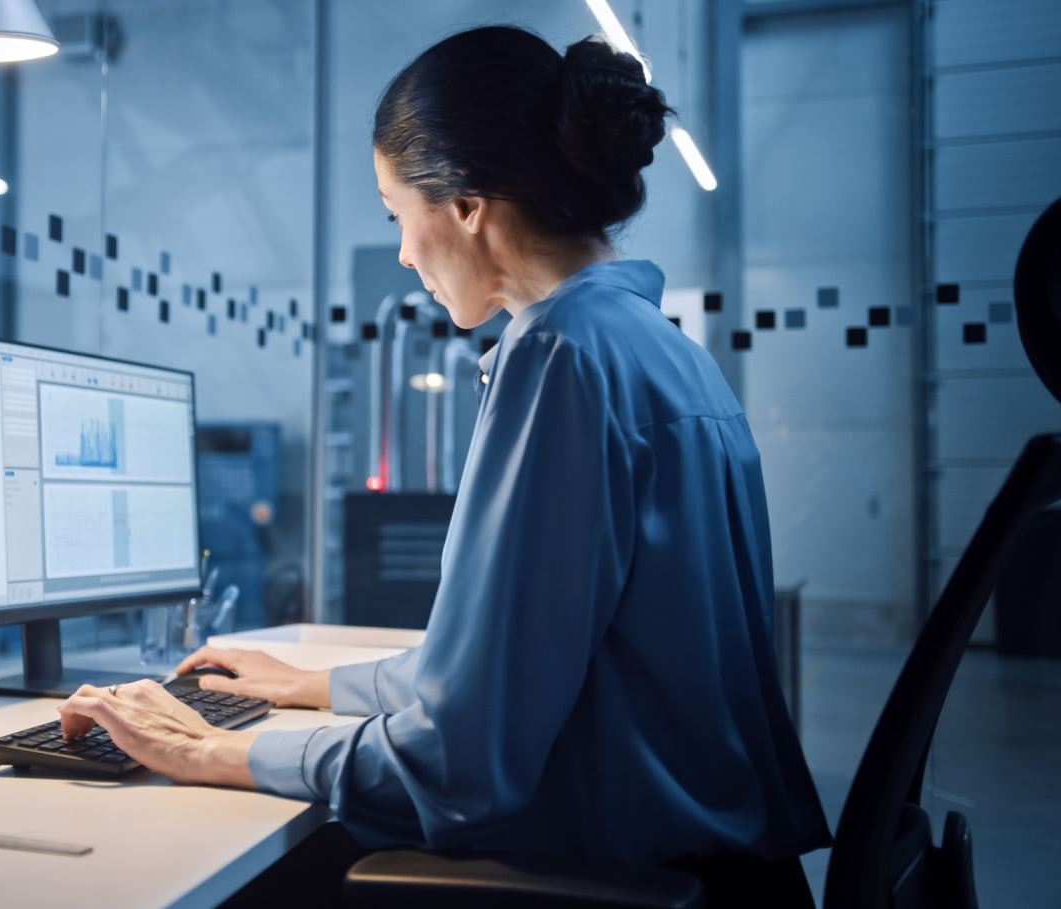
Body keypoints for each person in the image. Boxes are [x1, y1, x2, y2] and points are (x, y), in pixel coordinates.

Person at [57, 25, 831, 904]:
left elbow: (463, 764)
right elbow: (503, 674)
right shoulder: (656, 349)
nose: (401, 253)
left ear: (465, 205)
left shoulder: (565, 358)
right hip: (728, 874)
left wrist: (211, 747)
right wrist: (314, 684)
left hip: (634, 878)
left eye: (398, 214)